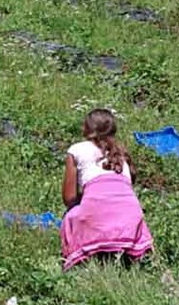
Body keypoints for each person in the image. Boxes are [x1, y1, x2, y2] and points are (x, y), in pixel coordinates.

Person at [60, 109, 153, 270]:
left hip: (96, 218)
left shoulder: (77, 150)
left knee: (71, 215)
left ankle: (83, 255)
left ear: (86, 128)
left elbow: (69, 198)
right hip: (130, 222)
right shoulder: (122, 154)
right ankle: (128, 253)